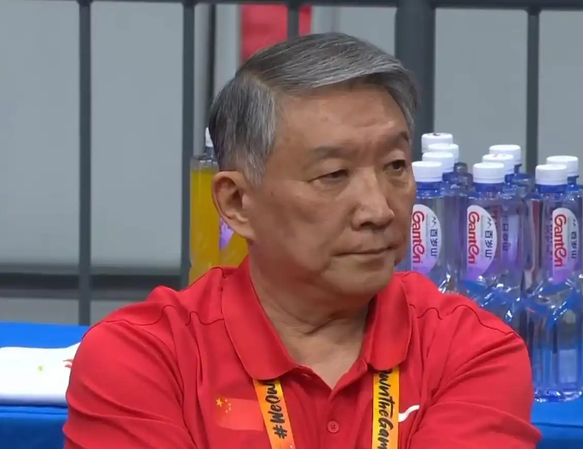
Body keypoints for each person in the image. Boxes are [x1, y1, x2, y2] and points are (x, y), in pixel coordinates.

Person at [63, 33, 541, 449]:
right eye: (333, 175)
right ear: (237, 203)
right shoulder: (144, 358)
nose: (379, 210)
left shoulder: (471, 350)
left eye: (395, 166)